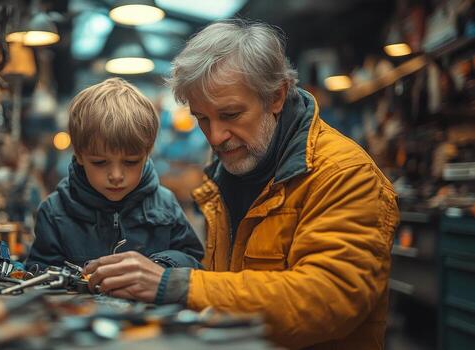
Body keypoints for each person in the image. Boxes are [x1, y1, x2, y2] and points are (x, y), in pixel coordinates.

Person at [83, 20, 399, 350]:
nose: (215, 136)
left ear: (276, 97)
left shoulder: (343, 174)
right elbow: (231, 286)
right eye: (202, 118)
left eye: (231, 114)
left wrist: (176, 286)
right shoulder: (226, 175)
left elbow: (329, 300)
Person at [26, 78, 203, 271]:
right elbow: (38, 274)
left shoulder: (165, 206)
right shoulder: (54, 212)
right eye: (100, 162)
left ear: (147, 153)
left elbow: (193, 261)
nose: (116, 175)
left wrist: (160, 265)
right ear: (78, 154)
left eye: (131, 162)